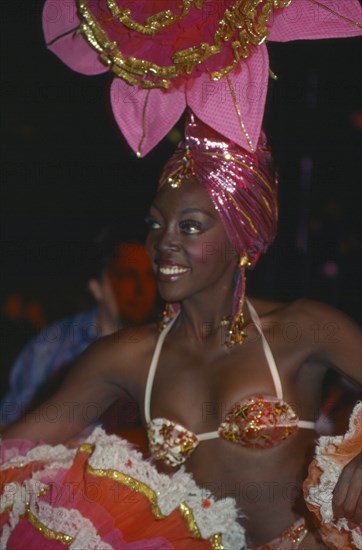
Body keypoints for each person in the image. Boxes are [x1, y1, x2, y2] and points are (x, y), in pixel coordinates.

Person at [1, 114, 361, 549]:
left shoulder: (301, 329)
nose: (163, 243)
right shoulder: (128, 356)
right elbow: (16, 445)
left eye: (190, 226)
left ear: (241, 236)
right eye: (156, 225)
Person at [0, 225, 157, 427]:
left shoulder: (170, 343)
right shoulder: (53, 347)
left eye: (149, 276)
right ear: (97, 286)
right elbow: (9, 426)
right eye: (127, 276)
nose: (140, 289)